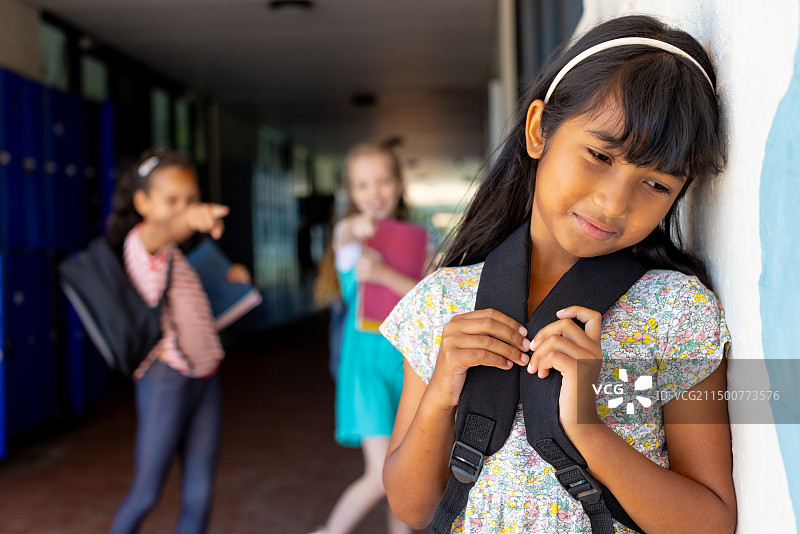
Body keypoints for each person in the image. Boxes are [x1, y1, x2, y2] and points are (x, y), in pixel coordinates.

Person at [380, 15, 736, 534]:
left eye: (656, 185)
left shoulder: (676, 314)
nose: (614, 203)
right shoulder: (444, 304)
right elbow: (412, 508)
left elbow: (711, 522)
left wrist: (587, 428)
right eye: (599, 154)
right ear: (538, 130)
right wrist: (439, 393)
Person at [107, 149, 232, 534]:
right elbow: (162, 229)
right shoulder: (143, 241)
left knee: (199, 493)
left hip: (205, 376)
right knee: (147, 492)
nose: (183, 208)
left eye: (191, 199)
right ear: (142, 202)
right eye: (171, 199)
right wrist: (190, 217)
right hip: (167, 378)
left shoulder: (175, 255)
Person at [311, 142, 420, 534]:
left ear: (399, 183)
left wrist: (385, 275)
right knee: (380, 474)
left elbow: (429, 299)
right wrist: (357, 229)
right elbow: (347, 232)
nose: (374, 193)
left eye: (383, 181)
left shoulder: (415, 241)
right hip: (367, 370)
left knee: (402, 473)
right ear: (350, 192)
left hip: (405, 367)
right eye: (362, 185)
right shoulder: (349, 235)